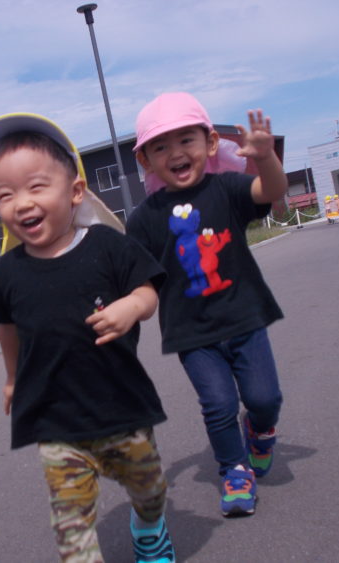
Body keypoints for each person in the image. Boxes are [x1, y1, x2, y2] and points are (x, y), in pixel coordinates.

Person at [0, 113, 175, 563]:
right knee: (71, 525)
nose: (21, 203)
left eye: (36, 187)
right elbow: (7, 327)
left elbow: (148, 292)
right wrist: (12, 377)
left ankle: (148, 527)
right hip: (57, 426)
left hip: (122, 408)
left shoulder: (107, 245)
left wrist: (130, 307)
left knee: (150, 490)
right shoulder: (8, 272)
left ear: (75, 191)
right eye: (5, 195)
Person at [126, 92, 287, 517]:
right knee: (218, 405)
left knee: (264, 398)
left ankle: (260, 430)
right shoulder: (143, 218)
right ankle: (234, 470)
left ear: (211, 143)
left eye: (186, 140)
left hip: (245, 318)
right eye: (160, 146)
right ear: (145, 160)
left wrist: (266, 158)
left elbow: (271, 190)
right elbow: (135, 276)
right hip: (192, 334)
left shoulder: (227, 189)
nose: (175, 152)